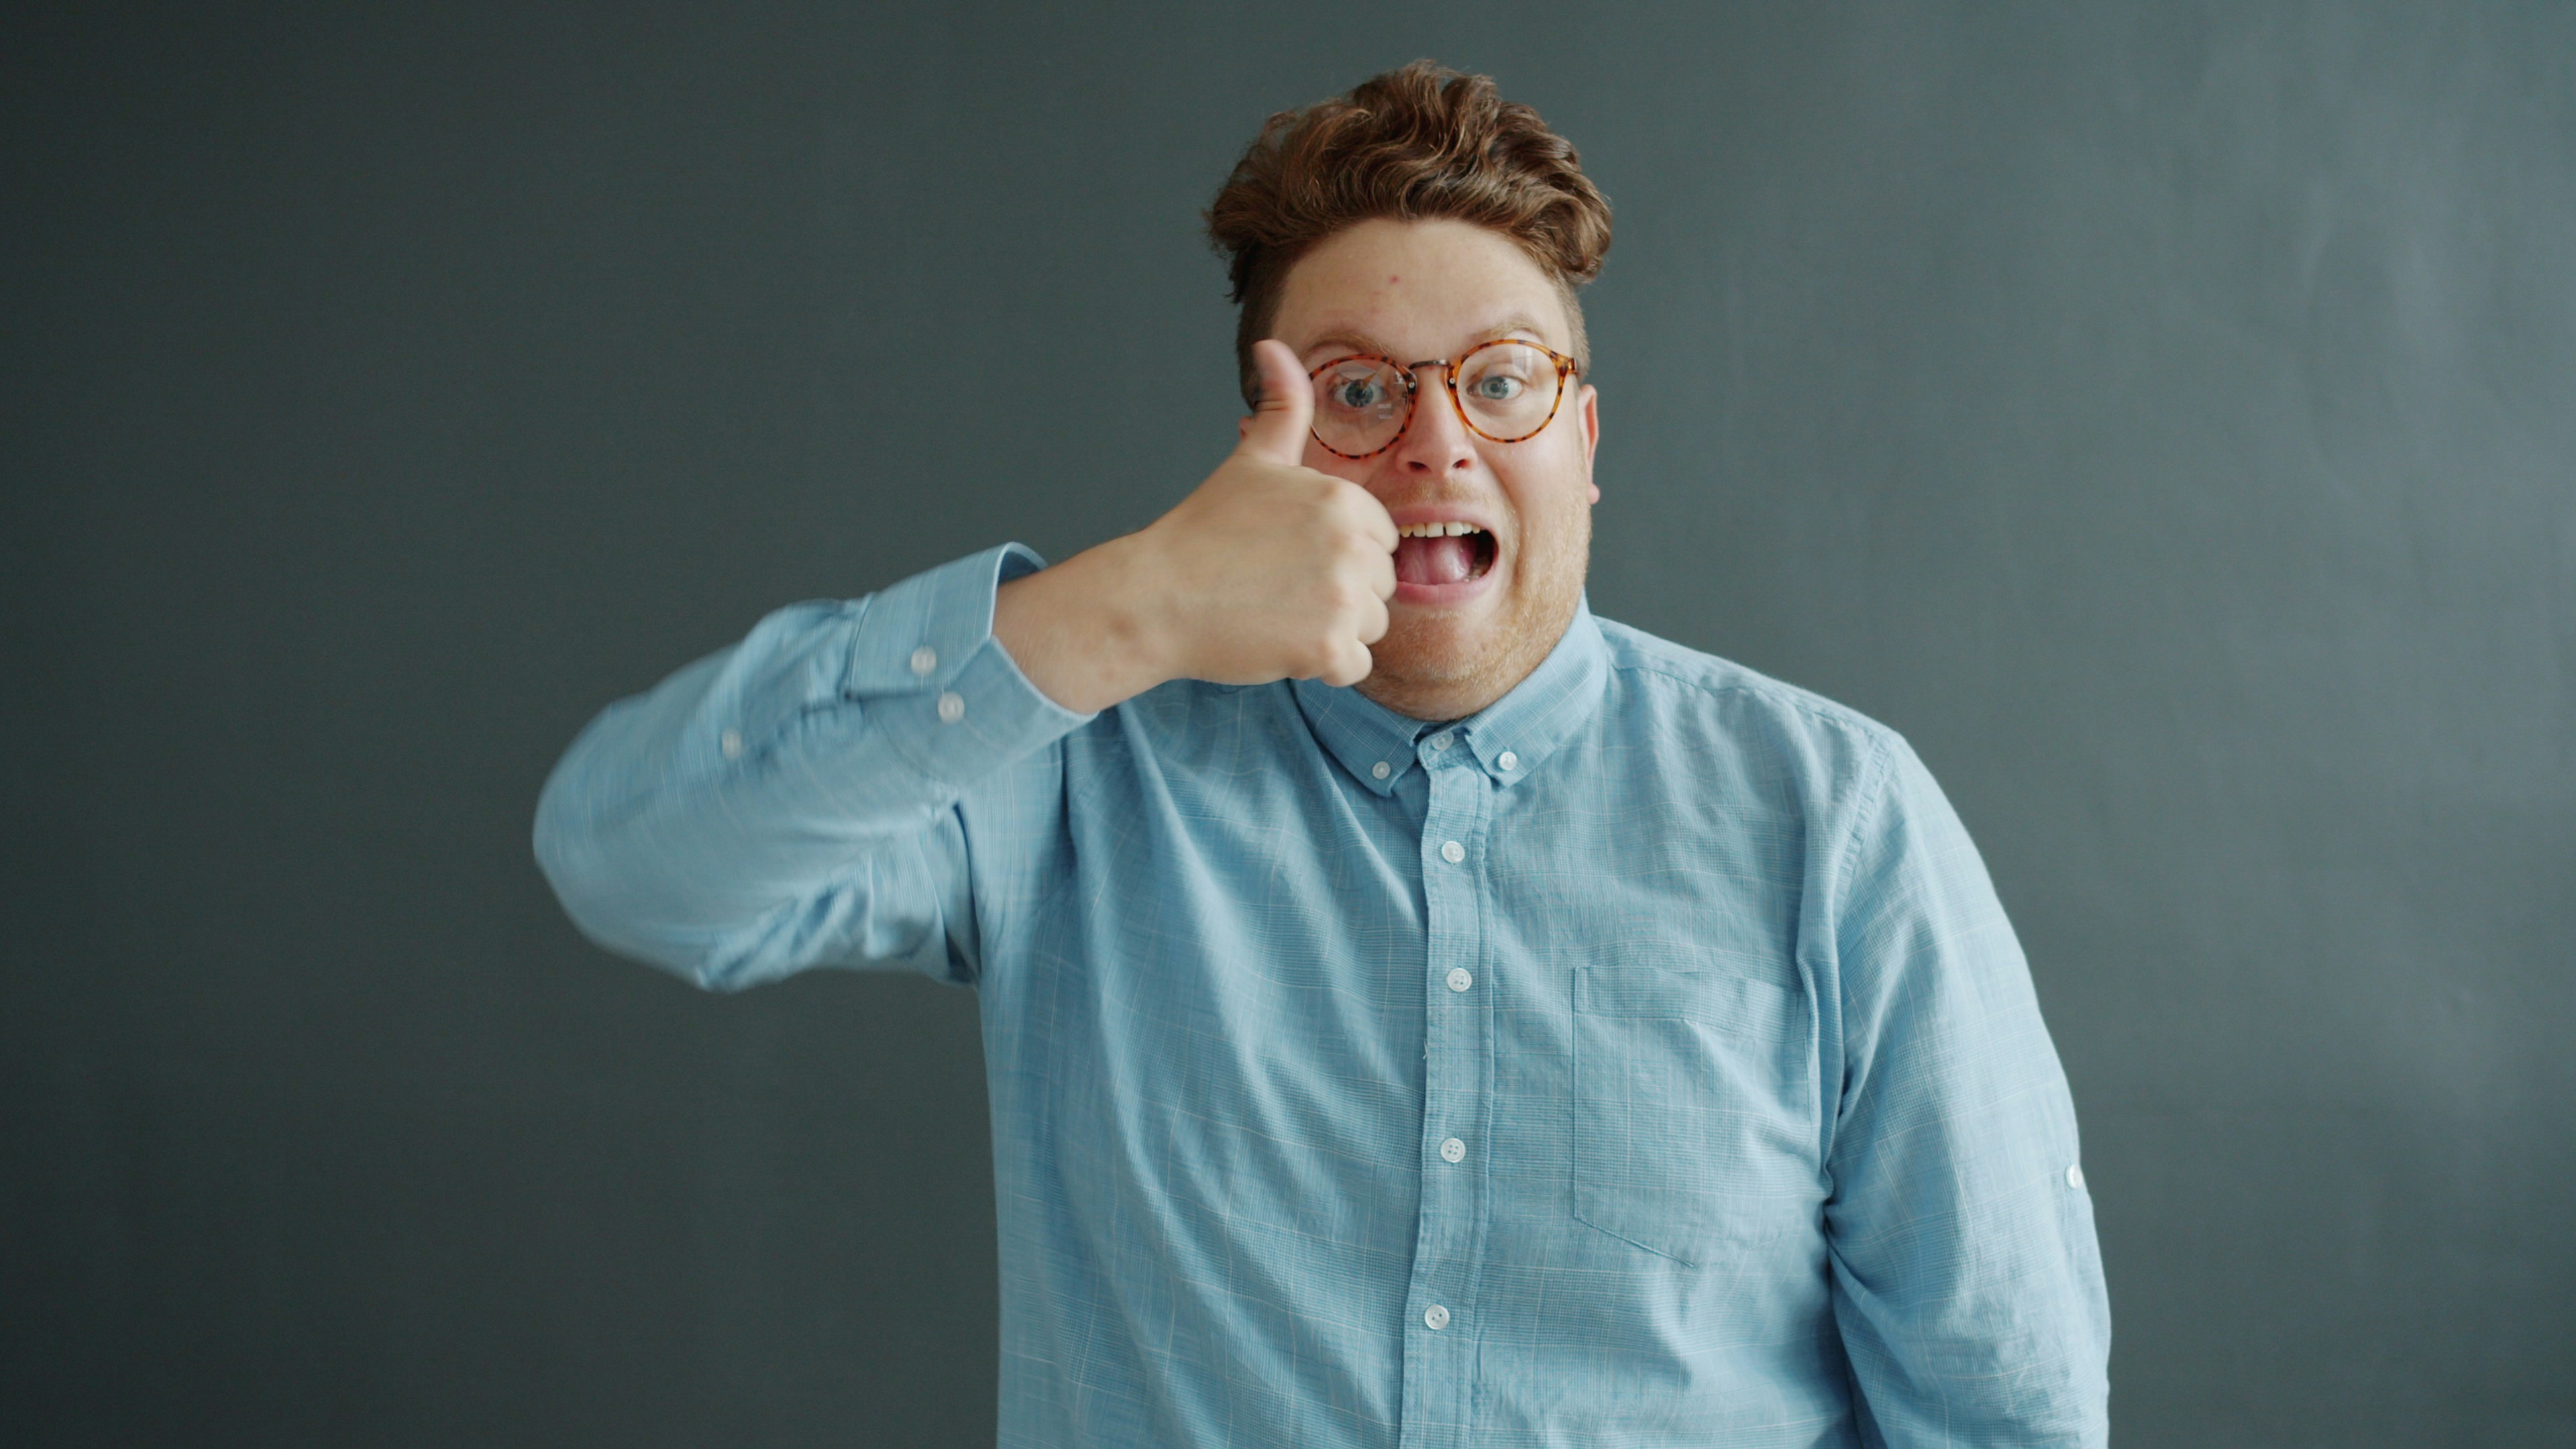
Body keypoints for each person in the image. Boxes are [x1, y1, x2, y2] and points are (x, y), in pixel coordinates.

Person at [534, 60, 2110, 1448]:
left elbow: (2006, 1407)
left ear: (1583, 442)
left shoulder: (1837, 820)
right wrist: (1128, 605)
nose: (1436, 442)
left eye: (1503, 379)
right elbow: (628, 854)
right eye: (1357, 391)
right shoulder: (1074, 771)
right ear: (1261, 461)